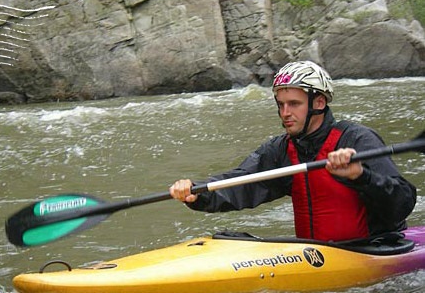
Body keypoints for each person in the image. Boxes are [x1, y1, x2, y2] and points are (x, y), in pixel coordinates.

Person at [169, 60, 417, 242]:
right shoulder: (281, 149)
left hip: (373, 250)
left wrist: (361, 176)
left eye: (294, 104)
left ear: (318, 103)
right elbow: (241, 183)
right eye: (281, 104)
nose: (285, 112)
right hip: (316, 255)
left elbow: (403, 202)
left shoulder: (358, 139)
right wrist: (198, 192)